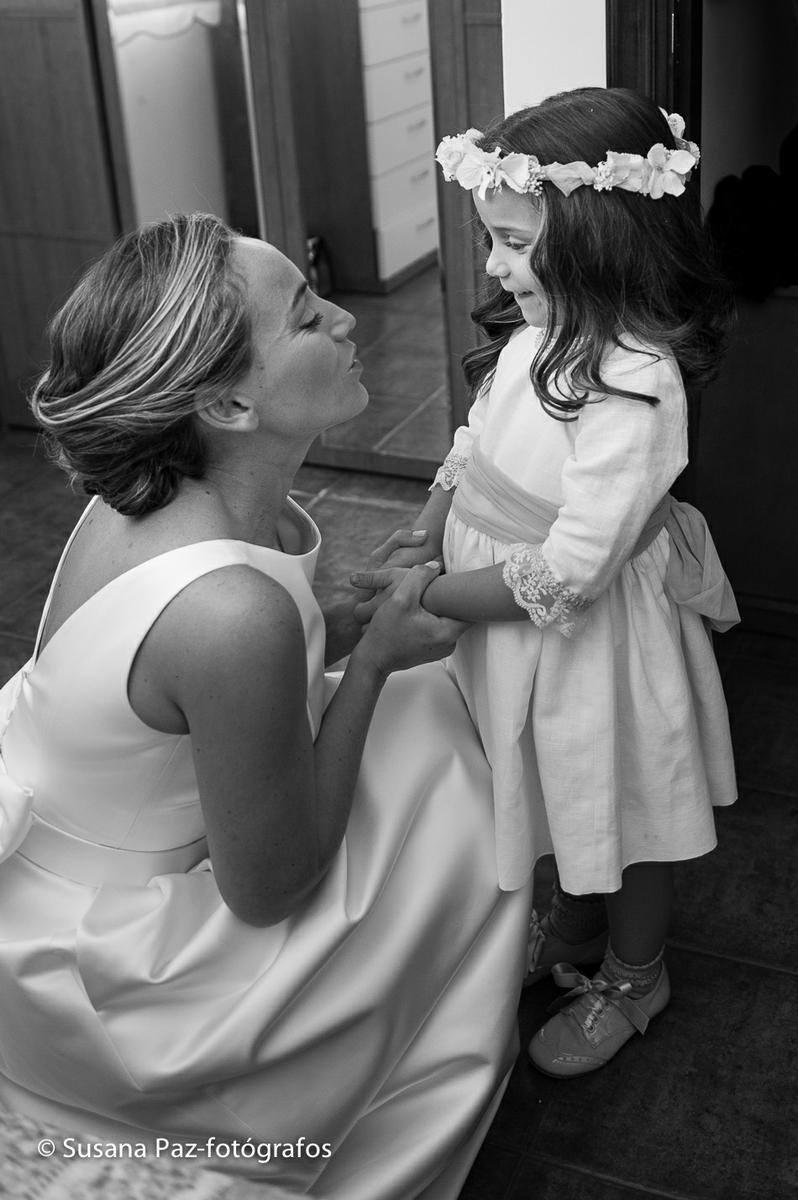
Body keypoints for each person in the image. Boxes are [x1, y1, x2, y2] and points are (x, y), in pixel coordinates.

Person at [0, 213, 532, 1197]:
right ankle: (416, 1049)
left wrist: (329, 607)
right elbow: (269, 889)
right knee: (446, 764)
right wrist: (368, 665)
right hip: (119, 956)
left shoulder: (164, 495)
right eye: (304, 318)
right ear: (228, 403)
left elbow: (160, 674)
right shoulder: (229, 614)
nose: (344, 315)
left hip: (85, 830)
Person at [352, 87, 739, 1079]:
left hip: (591, 649)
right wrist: (428, 531)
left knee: (620, 799)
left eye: (515, 241)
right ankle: (569, 924)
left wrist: (427, 603)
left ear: (603, 239)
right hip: (502, 623)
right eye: (493, 238)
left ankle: (634, 970)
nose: (492, 264)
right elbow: (477, 443)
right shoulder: (536, 333)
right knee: (542, 786)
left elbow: (570, 570)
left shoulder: (636, 382)